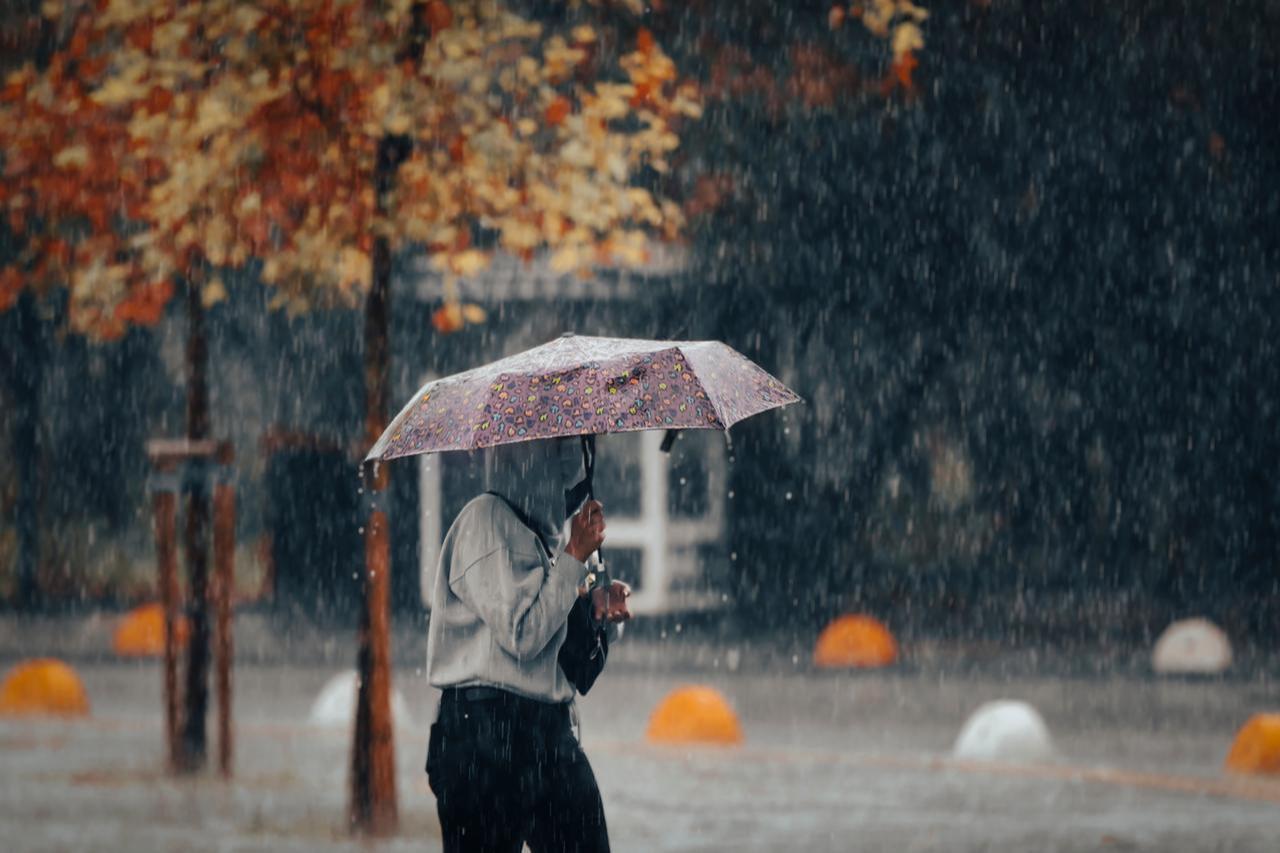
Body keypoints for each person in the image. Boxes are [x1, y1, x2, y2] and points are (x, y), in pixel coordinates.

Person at [425, 436, 631, 853]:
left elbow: (555, 638)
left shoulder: (545, 535)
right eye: (559, 453)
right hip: (483, 732)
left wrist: (597, 611)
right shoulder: (483, 522)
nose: (570, 473)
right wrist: (573, 555)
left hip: (546, 732)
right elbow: (523, 635)